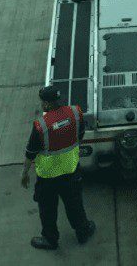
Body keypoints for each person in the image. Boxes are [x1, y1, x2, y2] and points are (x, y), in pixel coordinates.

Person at [22, 85, 95, 251]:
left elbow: (31, 152)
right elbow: (80, 135)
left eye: (42, 102)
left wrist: (24, 173)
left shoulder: (41, 125)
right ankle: (83, 231)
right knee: (74, 203)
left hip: (48, 177)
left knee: (47, 209)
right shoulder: (76, 113)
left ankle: (50, 239)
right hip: (70, 170)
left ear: (47, 104)